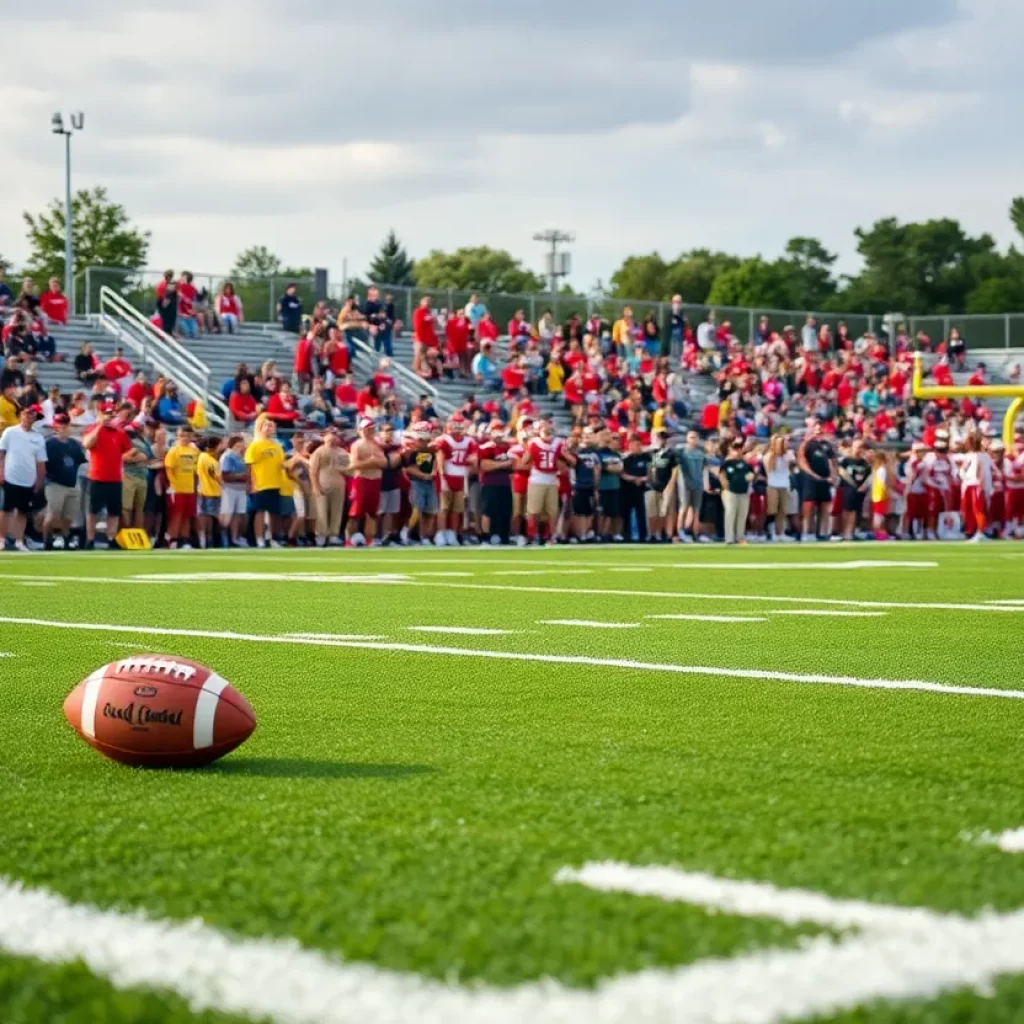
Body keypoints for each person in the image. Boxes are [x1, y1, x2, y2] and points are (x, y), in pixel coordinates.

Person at [82, 400, 131, 549]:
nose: (109, 416)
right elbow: (87, 444)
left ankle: (111, 538)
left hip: (115, 477)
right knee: (93, 510)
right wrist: (99, 426)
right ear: (100, 413)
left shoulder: (120, 433)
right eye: (106, 413)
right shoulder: (92, 429)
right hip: (97, 476)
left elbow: (127, 451)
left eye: (111, 413)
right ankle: (90, 539)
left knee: (114, 511)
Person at [0, 403, 47, 551]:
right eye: (26, 413)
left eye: (31, 414)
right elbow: (1, 454)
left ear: (35, 418)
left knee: (23, 512)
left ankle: (19, 541)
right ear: (21, 415)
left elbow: (41, 463)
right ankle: (1, 539)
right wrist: (0, 472)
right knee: (5, 510)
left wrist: (38, 481)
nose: (28, 416)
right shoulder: (10, 432)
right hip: (10, 477)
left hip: (28, 480)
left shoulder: (38, 438)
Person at [524, 419, 570, 546]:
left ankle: (542, 535)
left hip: (547, 479)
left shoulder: (535, 442)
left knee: (545, 511)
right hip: (542, 479)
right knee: (541, 511)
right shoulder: (556, 443)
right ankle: (541, 535)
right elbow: (570, 461)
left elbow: (525, 460)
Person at [43, 412, 85, 549]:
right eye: (60, 424)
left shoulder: (74, 444)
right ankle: (46, 541)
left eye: (66, 424)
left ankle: (65, 539)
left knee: (68, 516)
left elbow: (80, 461)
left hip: (72, 483)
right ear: (55, 426)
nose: (64, 427)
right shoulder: (49, 444)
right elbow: (42, 463)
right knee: (52, 514)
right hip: (55, 483)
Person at [434, 413, 477, 546]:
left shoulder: (469, 441)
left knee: (457, 509)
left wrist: (472, 463)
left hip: (461, 476)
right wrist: (442, 479)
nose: (458, 428)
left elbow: (474, 460)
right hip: (447, 476)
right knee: (444, 508)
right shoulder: (444, 440)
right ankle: (441, 533)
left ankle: (452, 533)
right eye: (455, 425)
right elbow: (440, 460)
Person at [245, 415, 285, 548]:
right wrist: (252, 484)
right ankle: (259, 538)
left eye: (271, 426)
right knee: (260, 512)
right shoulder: (255, 445)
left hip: (275, 483)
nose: (269, 428)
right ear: (260, 428)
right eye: (266, 426)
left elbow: (281, 464)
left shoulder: (277, 446)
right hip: (260, 484)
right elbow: (249, 467)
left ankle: (273, 538)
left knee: (275, 513)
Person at [346, 416, 386, 546]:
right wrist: (370, 462)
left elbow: (384, 462)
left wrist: (374, 462)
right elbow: (353, 465)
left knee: (372, 513)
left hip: (375, 480)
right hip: (362, 480)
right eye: (367, 429)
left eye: (372, 429)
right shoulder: (357, 445)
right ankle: (349, 538)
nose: (370, 432)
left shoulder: (376, 444)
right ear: (361, 430)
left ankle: (370, 538)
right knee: (355, 513)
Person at [798, 421, 838, 541]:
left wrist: (833, 476)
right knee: (809, 507)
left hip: (825, 479)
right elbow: (802, 461)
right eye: (816, 429)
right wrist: (813, 475)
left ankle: (822, 532)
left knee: (825, 507)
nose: (818, 432)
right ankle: (806, 532)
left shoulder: (827, 445)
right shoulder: (807, 444)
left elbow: (833, 461)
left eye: (820, 430)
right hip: (811, 480)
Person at [309, 429, 349, 546]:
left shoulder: (342, 452)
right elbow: (313, 471)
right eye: (330, 434)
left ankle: (333, 535)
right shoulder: (319, 451)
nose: (333, 437)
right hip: (322, 482)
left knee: (337, 510)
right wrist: (315, 486)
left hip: (338, 483)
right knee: (321, 510)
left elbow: (348, 469)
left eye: (335, 434)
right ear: (324, 436)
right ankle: (321, 534)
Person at [164, 426, 199, 549]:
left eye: (187, 435)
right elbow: (169, 469)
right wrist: (173, 484)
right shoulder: (174, 451)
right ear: (177, 437)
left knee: (187, 515)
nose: (185, 438)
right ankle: (171, 539)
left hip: (189, 488)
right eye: (182, 435)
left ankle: (184, 539)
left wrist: (195, 487)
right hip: (177, 489)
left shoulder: (194, 451)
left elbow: (195, 471)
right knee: (176, 515)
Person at [719, 439, 754, 545]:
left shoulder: (746, 464)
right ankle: (729, 538)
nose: (738, 451)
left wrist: (750, 477)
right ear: (731, 450)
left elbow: (752, 474)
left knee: (742, 515)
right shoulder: (727, 463)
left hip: (743, 492)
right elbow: (722, 474)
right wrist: (726, 487)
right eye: (736, 449)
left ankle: (740, 537)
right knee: (730, 513)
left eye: (740, 449)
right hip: (731, 492)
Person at [836, 438, 871, 541]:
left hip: (860, 490)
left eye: (861, 447)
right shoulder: (846, 460)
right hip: (848, 488)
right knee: (847, 510)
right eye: (857, 447)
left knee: (855, 511)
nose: (858, 449)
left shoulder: (864, 463)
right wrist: (853, 483)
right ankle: (845, 532)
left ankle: (850, 531)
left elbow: (868, 475)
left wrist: (864, 485)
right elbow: (841, 472)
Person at [218, 434, 249, 547]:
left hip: (240, 489)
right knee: (227, 515)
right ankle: (223, 537)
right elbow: (225, 475)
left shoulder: (241, 457)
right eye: (240, 443)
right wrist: (241, 477)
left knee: (238, 514)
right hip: (229, 489)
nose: (242, 445)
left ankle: (235, 538)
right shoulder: (228, 456)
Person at [675, 430, 706, 543]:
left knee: (696, 510)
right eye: (691, 437)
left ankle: (694, 533)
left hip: (698, 483)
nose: (693, 440)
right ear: (687, 439)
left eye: (695, 437)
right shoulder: (683, 452)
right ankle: (679, 531)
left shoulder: (701, 453)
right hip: (685, 483)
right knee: (683, 508)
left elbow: (704, 467)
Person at [763, 435, 795, 542]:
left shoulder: (787, 455)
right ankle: (771, 532)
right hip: (773, 484)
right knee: (773, 510)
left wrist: (788, 456)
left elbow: (793, 466)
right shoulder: (769, 456)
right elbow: (768, 470)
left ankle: (780, 532)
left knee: (783, 511)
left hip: (784, 484)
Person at [197, 436, 224, 549]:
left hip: (205, 490)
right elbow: (217, 477)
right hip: (210, 491)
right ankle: (207, 539)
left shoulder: (203, 457)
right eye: (220, 444)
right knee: (207, 516)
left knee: (206, 515)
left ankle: (206, 539)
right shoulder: (210, 460)